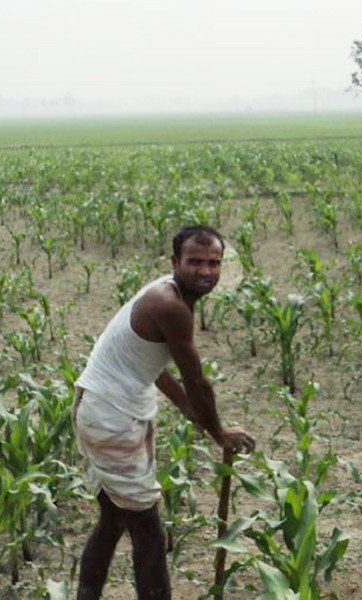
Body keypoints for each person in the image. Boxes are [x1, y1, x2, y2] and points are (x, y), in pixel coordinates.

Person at [73, 224, 256, 599]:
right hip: (112, 416)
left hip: (107, 407)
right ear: (175, 262)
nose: (205, 271)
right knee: (150, 536)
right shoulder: (171, 305)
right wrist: (217, 432)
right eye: (195, 262)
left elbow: (150, 363)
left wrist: (187, 410)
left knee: (112, 519)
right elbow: (197, 380)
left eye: (213, 263)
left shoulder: (168, 293)